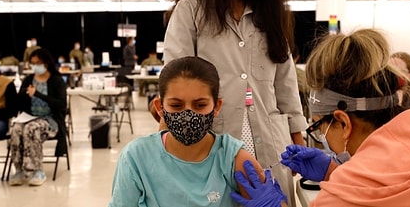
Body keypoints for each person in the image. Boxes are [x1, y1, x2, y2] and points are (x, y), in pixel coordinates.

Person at [162, 0, 307, 204]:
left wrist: (297, 138)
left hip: (268, 138)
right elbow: (176, 77)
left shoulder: (270, 17)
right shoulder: (192, 11)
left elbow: (286, 85)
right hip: (214, 135)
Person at [277, 29, 410, 206]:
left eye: (319, 127)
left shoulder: (339, 199)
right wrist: (334, 172)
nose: (322, 136)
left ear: (343, 122)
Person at [109, 56, 287, 207]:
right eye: (176, 105)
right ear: (160, 107)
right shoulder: (136, 158)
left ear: (216, 107)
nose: (188, 114)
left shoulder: (231, 158)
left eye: (200, 105)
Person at [9, 48, 67, 186]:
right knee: (16, 129)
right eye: (33, 63)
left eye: (38, 63)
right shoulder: (29, 80)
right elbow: (18, 103)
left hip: (50, 120)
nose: (36, 66)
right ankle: (18, 169)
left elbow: (61, 104)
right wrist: (22, 94)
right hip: (29, 117)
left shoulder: (56, 80)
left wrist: (38, 95)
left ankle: (36, 170)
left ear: (46, 63)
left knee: (31, 128)